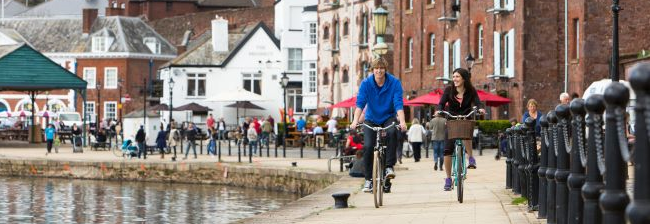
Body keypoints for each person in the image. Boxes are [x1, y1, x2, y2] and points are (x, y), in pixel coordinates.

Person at [349, 57, 407, 193]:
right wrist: (355, 120)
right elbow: (360, 103)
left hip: (388, 117)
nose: (379, 71)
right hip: (371, 118)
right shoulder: (366, 84)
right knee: (368, 146)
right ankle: (369, 180)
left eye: (381, 68)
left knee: (393, 132)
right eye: (376, 68)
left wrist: (402, 121)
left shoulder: (394, 83)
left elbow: (398, 103)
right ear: (372, 70)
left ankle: (389, 167)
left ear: (385, 69)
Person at [437, 68, 485, 191]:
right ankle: (448, 178)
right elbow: (441, 103)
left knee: (466, 133)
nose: (455, 79)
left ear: (464, 78)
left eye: (457, 77)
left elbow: (478, 102)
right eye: (453, 77)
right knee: (447, 150)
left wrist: (480, 109)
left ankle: (471, 157)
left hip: (465, 117)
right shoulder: (449, 90)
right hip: (452, 120)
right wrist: (439, 110)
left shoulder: (471, 90)